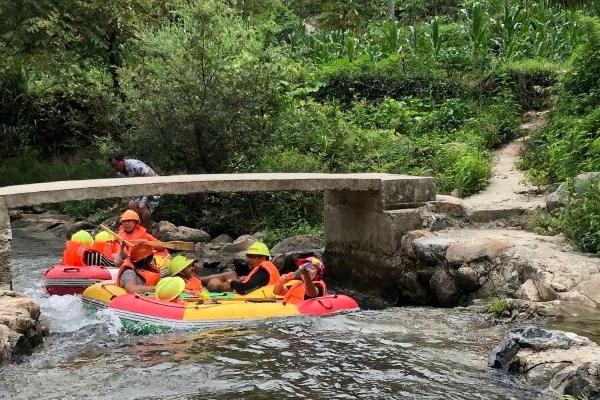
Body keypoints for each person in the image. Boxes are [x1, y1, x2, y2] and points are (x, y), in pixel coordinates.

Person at [200, 241, 280, 295]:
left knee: (213, 283)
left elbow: (244, 289)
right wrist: (245, 278)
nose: (248, 259)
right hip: (252, 290)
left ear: (262, 258)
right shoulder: (262, 269)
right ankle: (197, 280)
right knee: (231, 273)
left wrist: (231, 282)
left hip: (254, 295)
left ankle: (198, 282)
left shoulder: (263, 273)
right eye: (248, 256)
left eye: (252, 257)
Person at [108, 152, 159, 228]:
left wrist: (144, 198)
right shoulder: (120, 173)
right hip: (140, 190)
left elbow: (150, 174)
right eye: (113, 166)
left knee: (142, 206)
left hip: (154, 186)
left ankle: (145, 229)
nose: (115, 168)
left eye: (115, 165)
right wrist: (117, 203)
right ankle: (138, 227)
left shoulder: (134, 164)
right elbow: (121, 188)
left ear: (122, 160)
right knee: (132, 205)